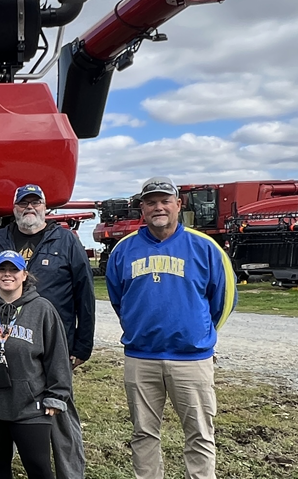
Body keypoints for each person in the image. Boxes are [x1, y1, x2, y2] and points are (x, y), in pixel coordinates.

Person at [106, 176, 236, 479]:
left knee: (200, 434)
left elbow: (224, 299)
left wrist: (198, 332)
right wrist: (139, 327)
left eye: (165, 201)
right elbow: (117, 298)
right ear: (142, 208)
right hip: (141, 359)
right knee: (144, 434)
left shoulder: (205, 247)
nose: (158, 207)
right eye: (151, 202)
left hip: (191, 359)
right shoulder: (124, 249)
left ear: (178, 205)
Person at [0, 184, 92, 479]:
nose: (29, 208)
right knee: (3, 427)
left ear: (46, 208)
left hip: (53, 347)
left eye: (35, 203)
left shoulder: (64, 240)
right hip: (4, 343)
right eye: (24, 204)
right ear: (14, 208)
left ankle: (70, 475)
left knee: (57, 419)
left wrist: (82, 346)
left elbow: (85, 292)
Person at [0, 250, 73, 479]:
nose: (7, 274)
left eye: (14, 270)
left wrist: (57, 395)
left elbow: (57, 355)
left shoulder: (43, 309)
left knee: (38, 467)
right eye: (2, 269)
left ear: (24, 275)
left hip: (30, 406)